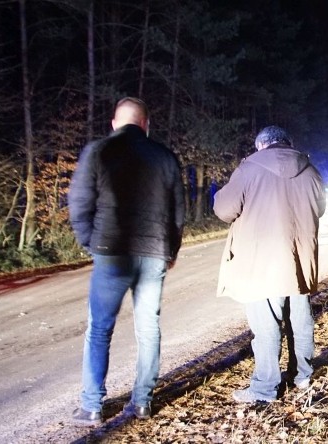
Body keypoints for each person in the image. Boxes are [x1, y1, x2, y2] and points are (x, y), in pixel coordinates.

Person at [68, 97, 185, 426]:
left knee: (100, 329)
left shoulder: (99, 150)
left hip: (111, 251)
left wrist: (90, 242)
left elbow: (79, 202)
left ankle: (91, 406)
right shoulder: (165, 157)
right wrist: (170, 250)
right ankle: (142, 402)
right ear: (146, 125)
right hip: (152, 253)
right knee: (148, 329)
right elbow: (178, 212)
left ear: (114, 123)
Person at [213, 125, 325, 403]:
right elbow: (319, 208)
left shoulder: (249, 168)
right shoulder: (310, 171)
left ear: (262, 145)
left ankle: (265, 388)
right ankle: (302, 376)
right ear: (287, 144)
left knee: (266, 325)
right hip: (299, 259)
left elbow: (224, 210)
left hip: (260, 261)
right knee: (300, 320)